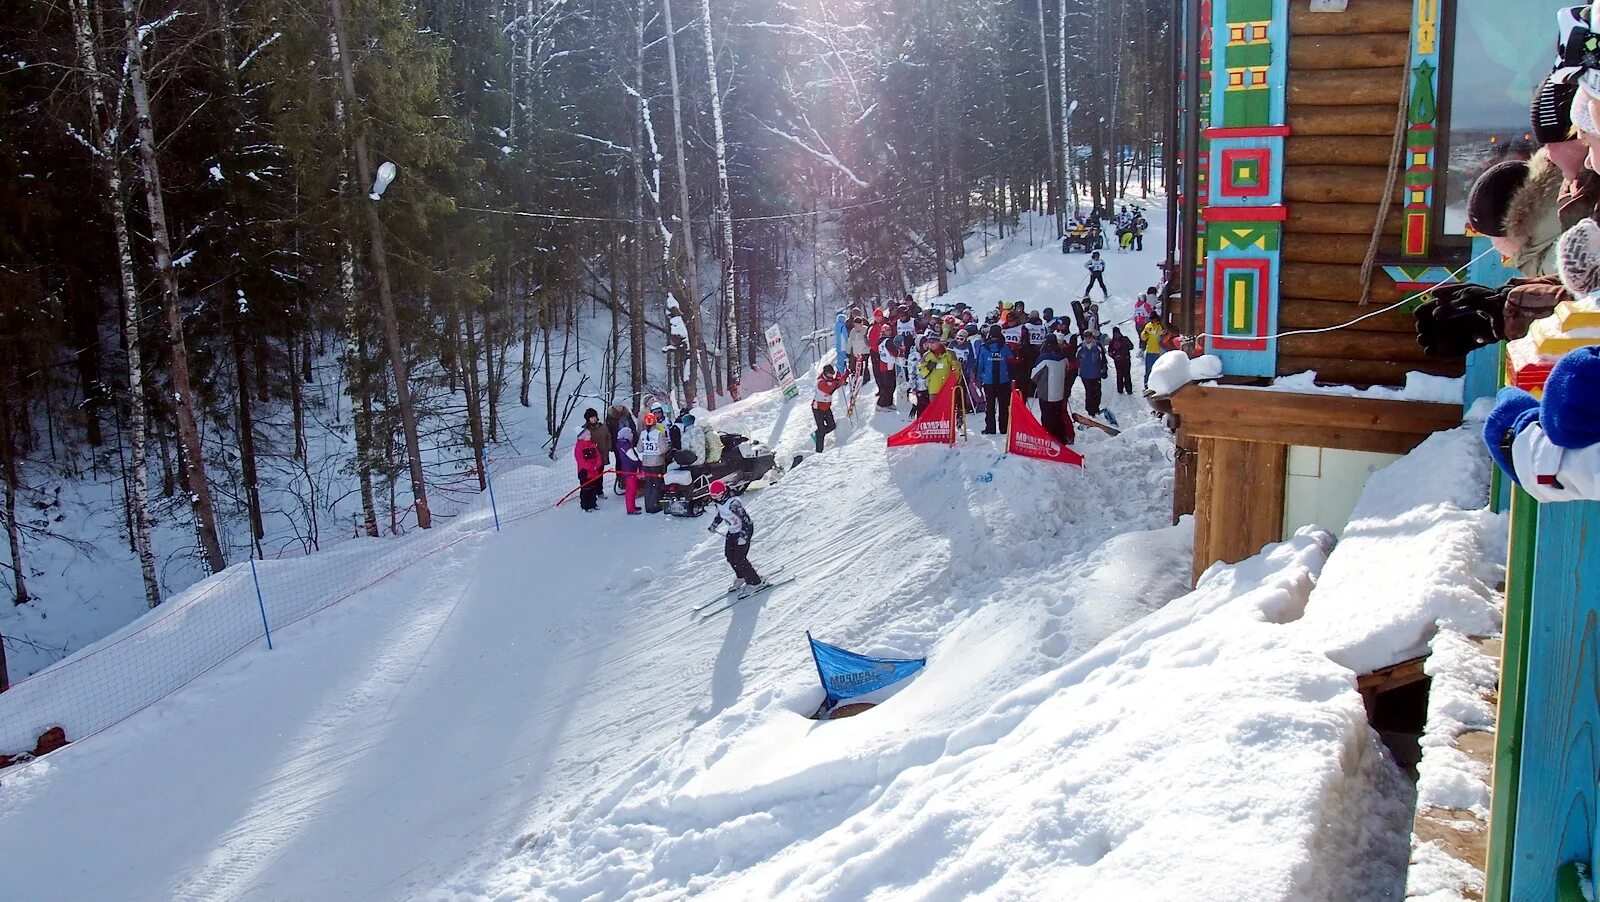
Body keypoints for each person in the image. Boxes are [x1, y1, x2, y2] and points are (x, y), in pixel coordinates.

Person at [707, 479, 765, 592]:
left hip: (744, 531)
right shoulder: (719, 502)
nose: (716, 498)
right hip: (732, 531)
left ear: (723, 492)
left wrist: (743, 536)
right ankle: (741, 576)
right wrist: (714, 524)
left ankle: (756, 582)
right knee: (729, 555)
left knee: (740, 558)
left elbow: (747, 521)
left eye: (718, 495)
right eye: (713, 496)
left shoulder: (733, 504)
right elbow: (721, 514)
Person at [1030, 335, 1074, 445]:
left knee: (1047, 416)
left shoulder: (1043, 357)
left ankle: (1048, 438)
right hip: (1060, 391)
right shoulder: (1063, 357)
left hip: (1046, 392)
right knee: (1058, 416)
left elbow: (1034, 375)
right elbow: (1067, 370)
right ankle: (1060, 438)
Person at [974, 325, 1016, 434]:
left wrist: (978, 379)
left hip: (988, 381)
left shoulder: (983, 347)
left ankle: (990, 428)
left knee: (990, 406)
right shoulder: (1005, 347)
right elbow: (1011, 363)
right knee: (1003, 406)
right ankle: (1004, 428)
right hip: (1003, 381)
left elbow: (979, 365)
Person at [637, 411, 670, 513]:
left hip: (646, 463)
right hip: (657, 463)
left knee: (648, 484)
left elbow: (639, 449)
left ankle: (648, 505)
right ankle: (655, 505)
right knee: (657, 484)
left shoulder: (642, 434)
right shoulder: (658, 434)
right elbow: (664, 448)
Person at [812, 364, 849, 453]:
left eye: (832, 374)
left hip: (827, 407)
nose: (832, 376)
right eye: (830, 374)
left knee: (832, 426)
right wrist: (838, 382)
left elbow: (837, 383)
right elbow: (829, 389)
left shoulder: (830, 380)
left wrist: (845, 375)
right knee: (821, 430)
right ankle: (819, 451)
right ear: (825, 373)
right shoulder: (820, 382)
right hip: (818, 408)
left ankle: (818, 433)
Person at [919, 335, 961, 409]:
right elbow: (921, 370)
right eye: (929, 342)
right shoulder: (926, 356)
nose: (931, 345)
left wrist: (955, 381)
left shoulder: (950, 353)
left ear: (939, 342)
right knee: (934, 410)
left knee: (948, 409)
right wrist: (928, 368)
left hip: (947, 386)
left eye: (933, 342)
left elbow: (956, 369)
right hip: (933, 387)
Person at [1077, 330, 1107, 418]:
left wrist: (1104, 370)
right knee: (1089, 392)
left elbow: (1103, 359)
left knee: (1097, 392)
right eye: (1086, 337)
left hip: (1096, 373)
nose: (1087, 339)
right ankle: (1090, 410)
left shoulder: (1097, 346)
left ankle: (1096, 407)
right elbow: (1076, 360)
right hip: (1085, 374)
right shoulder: (1080, 347)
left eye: (1089, 337)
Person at [613, 425, 642, 515]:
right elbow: (633, 458)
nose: (632, 435)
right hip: (629, 470)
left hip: (630, 469)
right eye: (631, 434)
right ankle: (630, 509)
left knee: (634, 488)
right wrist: (640, 465)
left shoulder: (625, 444)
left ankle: (632, 506)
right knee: (631, 489)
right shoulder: (626, 446)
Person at [573, 423, 602, 512]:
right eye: (588, 435)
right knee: (586, 488)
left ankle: (593, 503)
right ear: (583, 436)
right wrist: (590, 467)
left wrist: (597, 465)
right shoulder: (579, 447)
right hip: (585, 472)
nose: (590, 436)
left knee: (593, 487)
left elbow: (598, 455)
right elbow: (581, 461)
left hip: (594, 471)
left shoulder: (592, 444)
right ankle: (585, 505)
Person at [872, 321, 900, 411]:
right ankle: (881, 404)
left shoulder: (880, 341)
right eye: (887, 331)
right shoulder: (888, 341)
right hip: (888, 364)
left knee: (889, 385)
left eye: (889, 330)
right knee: (889, 385)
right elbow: (894, 352)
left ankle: (888, 402)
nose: (889, 332)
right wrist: (899, 350)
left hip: (884, 364)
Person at [582, 408, 611, 493]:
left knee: (600, 473)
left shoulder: (602, 426)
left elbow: (608, 436)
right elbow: (582, 443)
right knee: (592, 475)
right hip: (591, 457)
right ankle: (592, 492)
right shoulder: (585, 430)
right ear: (588, 419)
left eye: (594, 417)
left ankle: (599, 491)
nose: (593, 419)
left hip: (602, 453)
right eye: (591, 417)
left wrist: (608, 446)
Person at [604, 404, 637, 471]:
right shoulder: (611, 417)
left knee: (631, 458)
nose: (619, 408)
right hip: (617, 442)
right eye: (617, 406)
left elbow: (632, 426)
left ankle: (631, 475)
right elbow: (609, 431)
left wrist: (635, 438)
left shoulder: (627, 414)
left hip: (629, 440)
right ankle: (620, 477)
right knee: (619, 460)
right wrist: (612, 444)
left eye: (620, 406)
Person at [1141, 314, 1167, 384]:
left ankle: (1157, 384)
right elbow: (1143, 338)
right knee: (1148, 369)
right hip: (1149, 351)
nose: (1151, 321)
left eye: (1153, 319)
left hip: (1158, 352)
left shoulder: (1161, 325)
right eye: (1150, 319)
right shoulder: (1148, 326)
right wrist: (1144, 334)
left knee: (1157, 370)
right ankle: (1147, 384)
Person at [1108, 326, 1135, 395]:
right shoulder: (1113, 341)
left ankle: (1125, 390)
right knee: (1122, 375)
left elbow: (1131, 347)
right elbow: (1110, 352)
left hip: (1124, 360)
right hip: (1121, 360)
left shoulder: (1118, 340)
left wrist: (1115, 356)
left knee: (1124, 375)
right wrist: (1115, 357)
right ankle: (1124, 390)